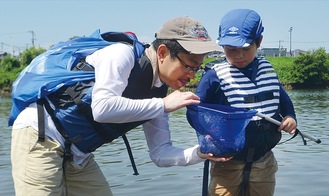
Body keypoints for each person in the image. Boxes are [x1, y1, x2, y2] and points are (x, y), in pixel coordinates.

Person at [9, 16, 224, 196]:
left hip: (78, 153)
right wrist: (164, 105)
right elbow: (102, 108)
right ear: (162, 53)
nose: (191, 74)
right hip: (41, 134)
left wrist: (201, 152)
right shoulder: (121, 54)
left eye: (197, 68)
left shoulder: (158, 91)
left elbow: (160, 153)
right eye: (188, 65)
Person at [194, 9, 297, 196]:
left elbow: (282, 99)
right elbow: (195, 109)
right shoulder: (214, 76)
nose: (239, 55)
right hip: (227, 162)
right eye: (231, 50)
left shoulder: (266, 70)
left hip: (263, 160)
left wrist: (290, 117)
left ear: (259, 42)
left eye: (246, 49)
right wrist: (206, 133)